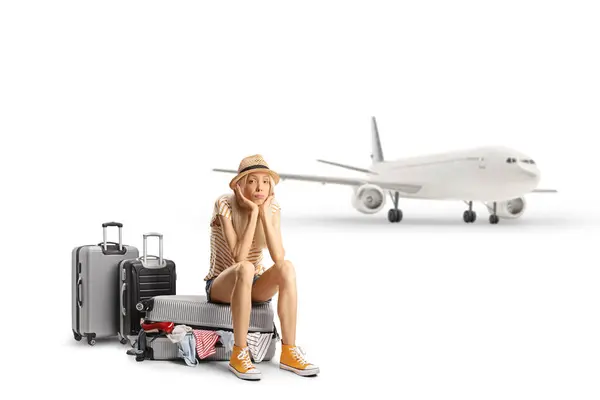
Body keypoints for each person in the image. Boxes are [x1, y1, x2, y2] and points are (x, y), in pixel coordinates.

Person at [204, 154, 319, 380]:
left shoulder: (273, 208)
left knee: (286, 267)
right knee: (245, 267)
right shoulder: (224, 203)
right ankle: (239, 353)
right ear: (240, 184)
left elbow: (278, 257)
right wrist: (253, 213)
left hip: (253, 284)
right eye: (252, 180)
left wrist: (264, 214)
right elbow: (238, 257)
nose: (260, 187)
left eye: (265, 181)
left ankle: (289, 351)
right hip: (220, 285)